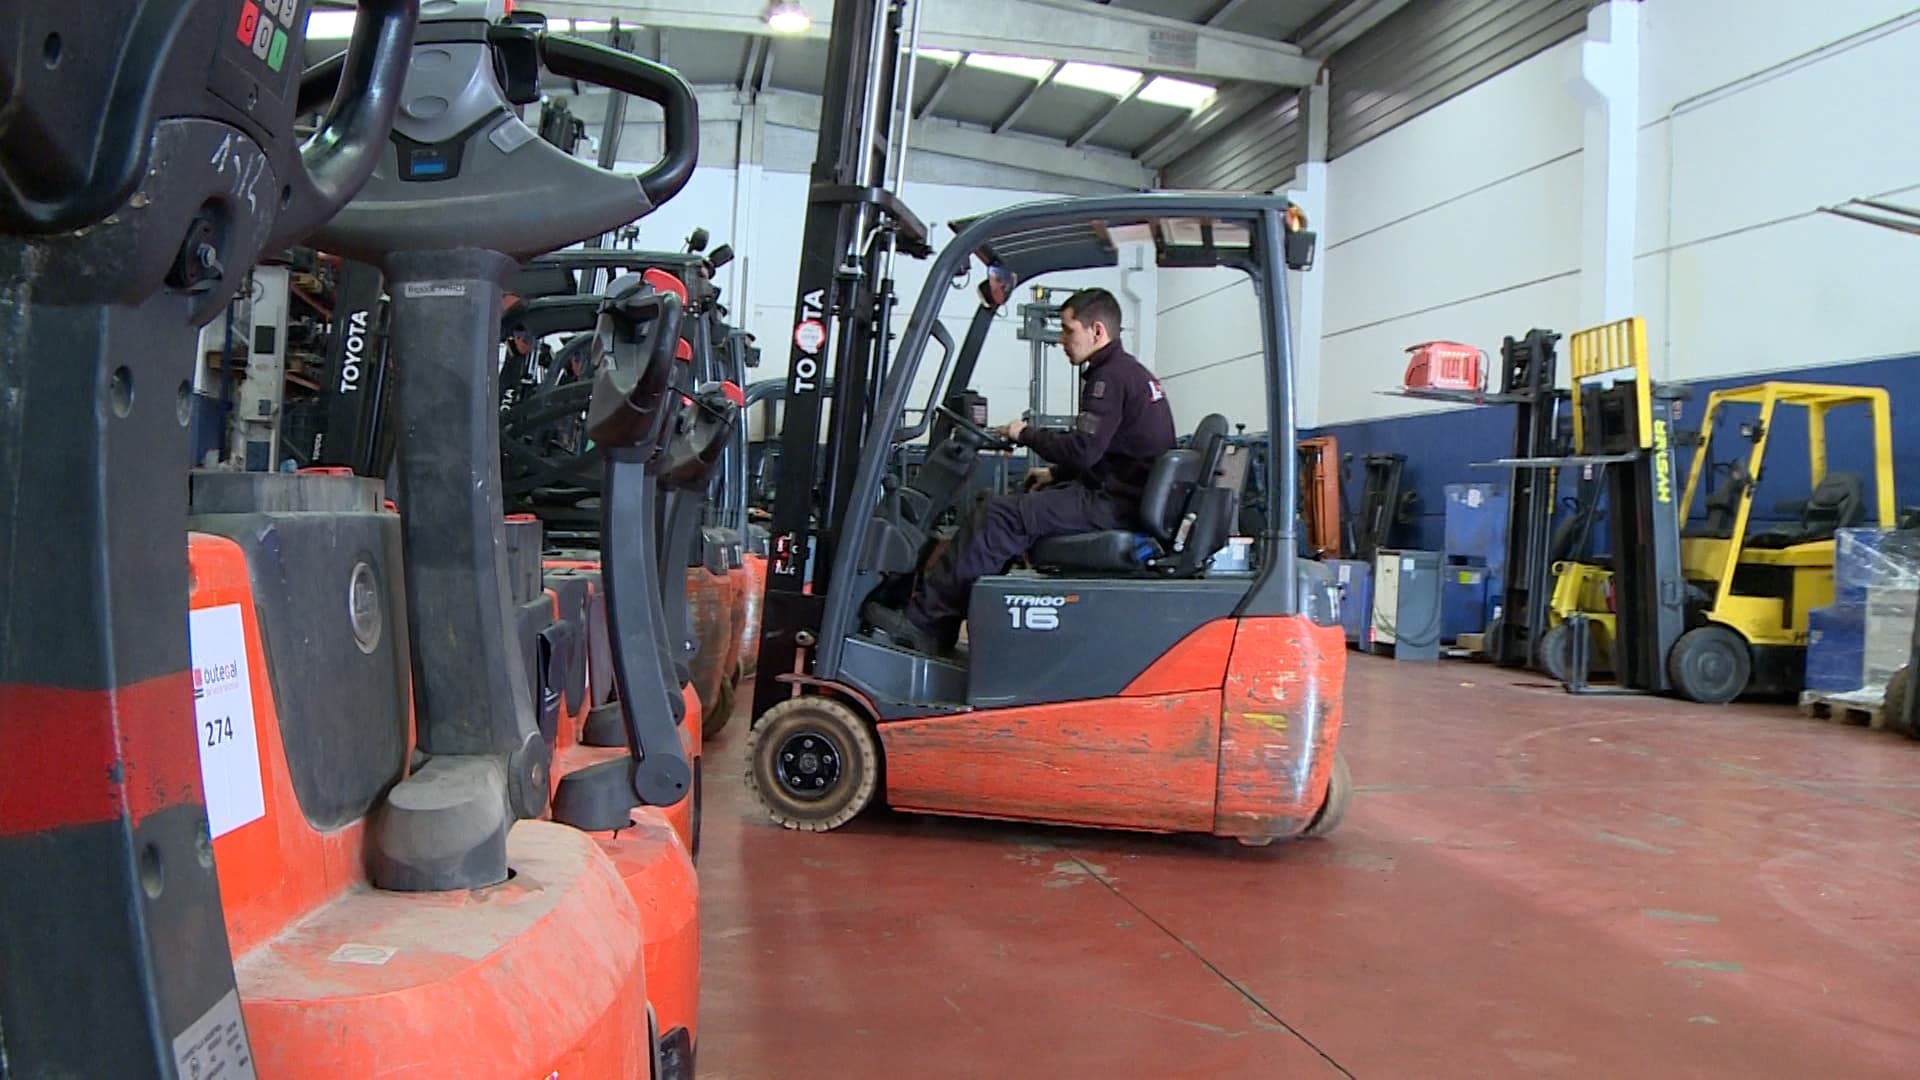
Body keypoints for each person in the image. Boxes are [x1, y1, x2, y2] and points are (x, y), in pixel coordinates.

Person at [868, 287, 1176, 654]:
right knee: (1008, 505)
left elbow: (1082, 450)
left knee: (996, 516)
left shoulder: (1107, 379)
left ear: (1096, 331)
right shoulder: (1130, 373)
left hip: (1111, 504)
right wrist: (1053, 476)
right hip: (1121, 495)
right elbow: (1106, 450)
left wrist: (1023, 432)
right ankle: (951, 618)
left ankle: (925, 625)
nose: (1062, 340)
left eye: (1068, 330)